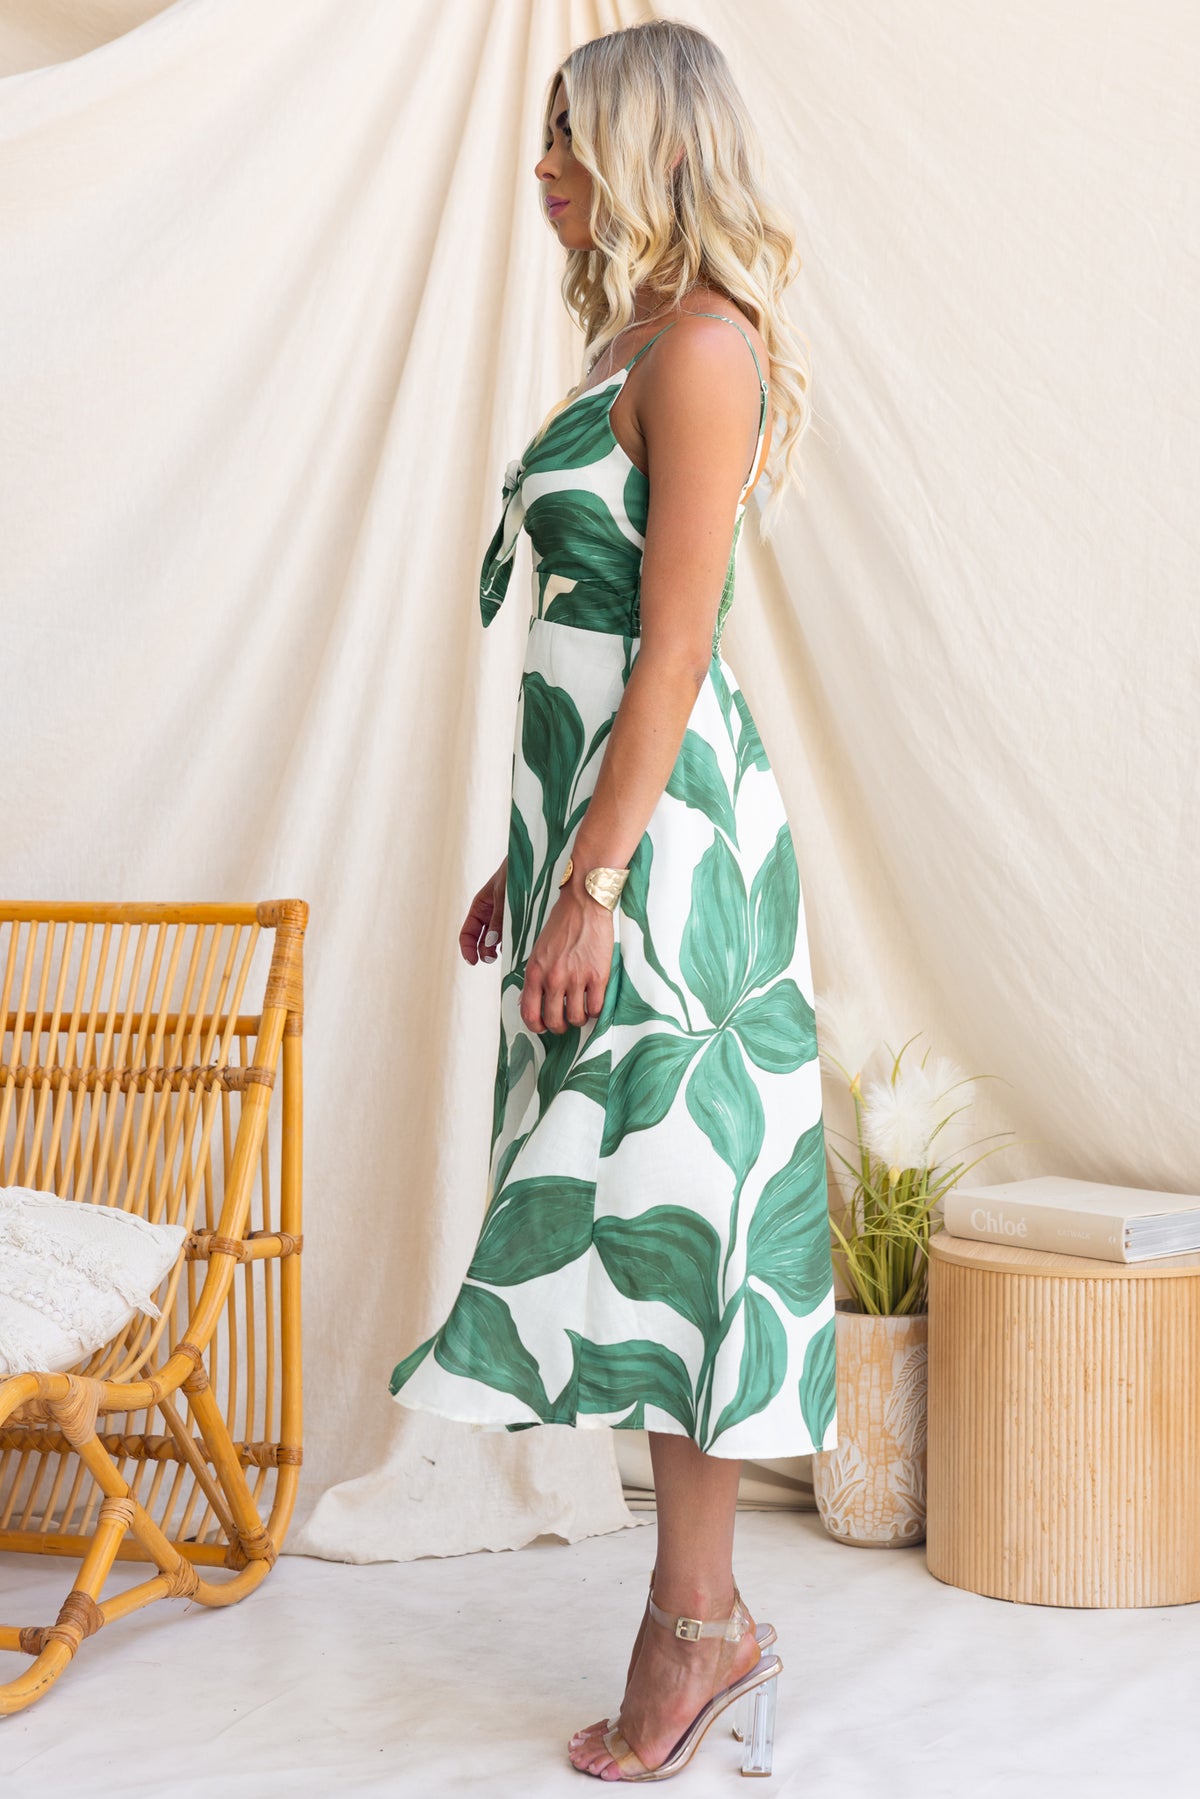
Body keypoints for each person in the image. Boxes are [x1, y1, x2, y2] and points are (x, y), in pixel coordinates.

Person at [389, 18, 837, 1783]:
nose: (546, 173)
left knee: (679, 1224)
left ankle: (697, 1631)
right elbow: (593, 657)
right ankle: (706, 1627)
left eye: (573, 143)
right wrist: (537, 856)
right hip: (609, 833)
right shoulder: (626, 344)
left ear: (654, 151)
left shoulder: (705, 347)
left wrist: (597, 877)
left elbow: (674, 650)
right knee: (646, 1227)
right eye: (548, 140)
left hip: (675, 863)